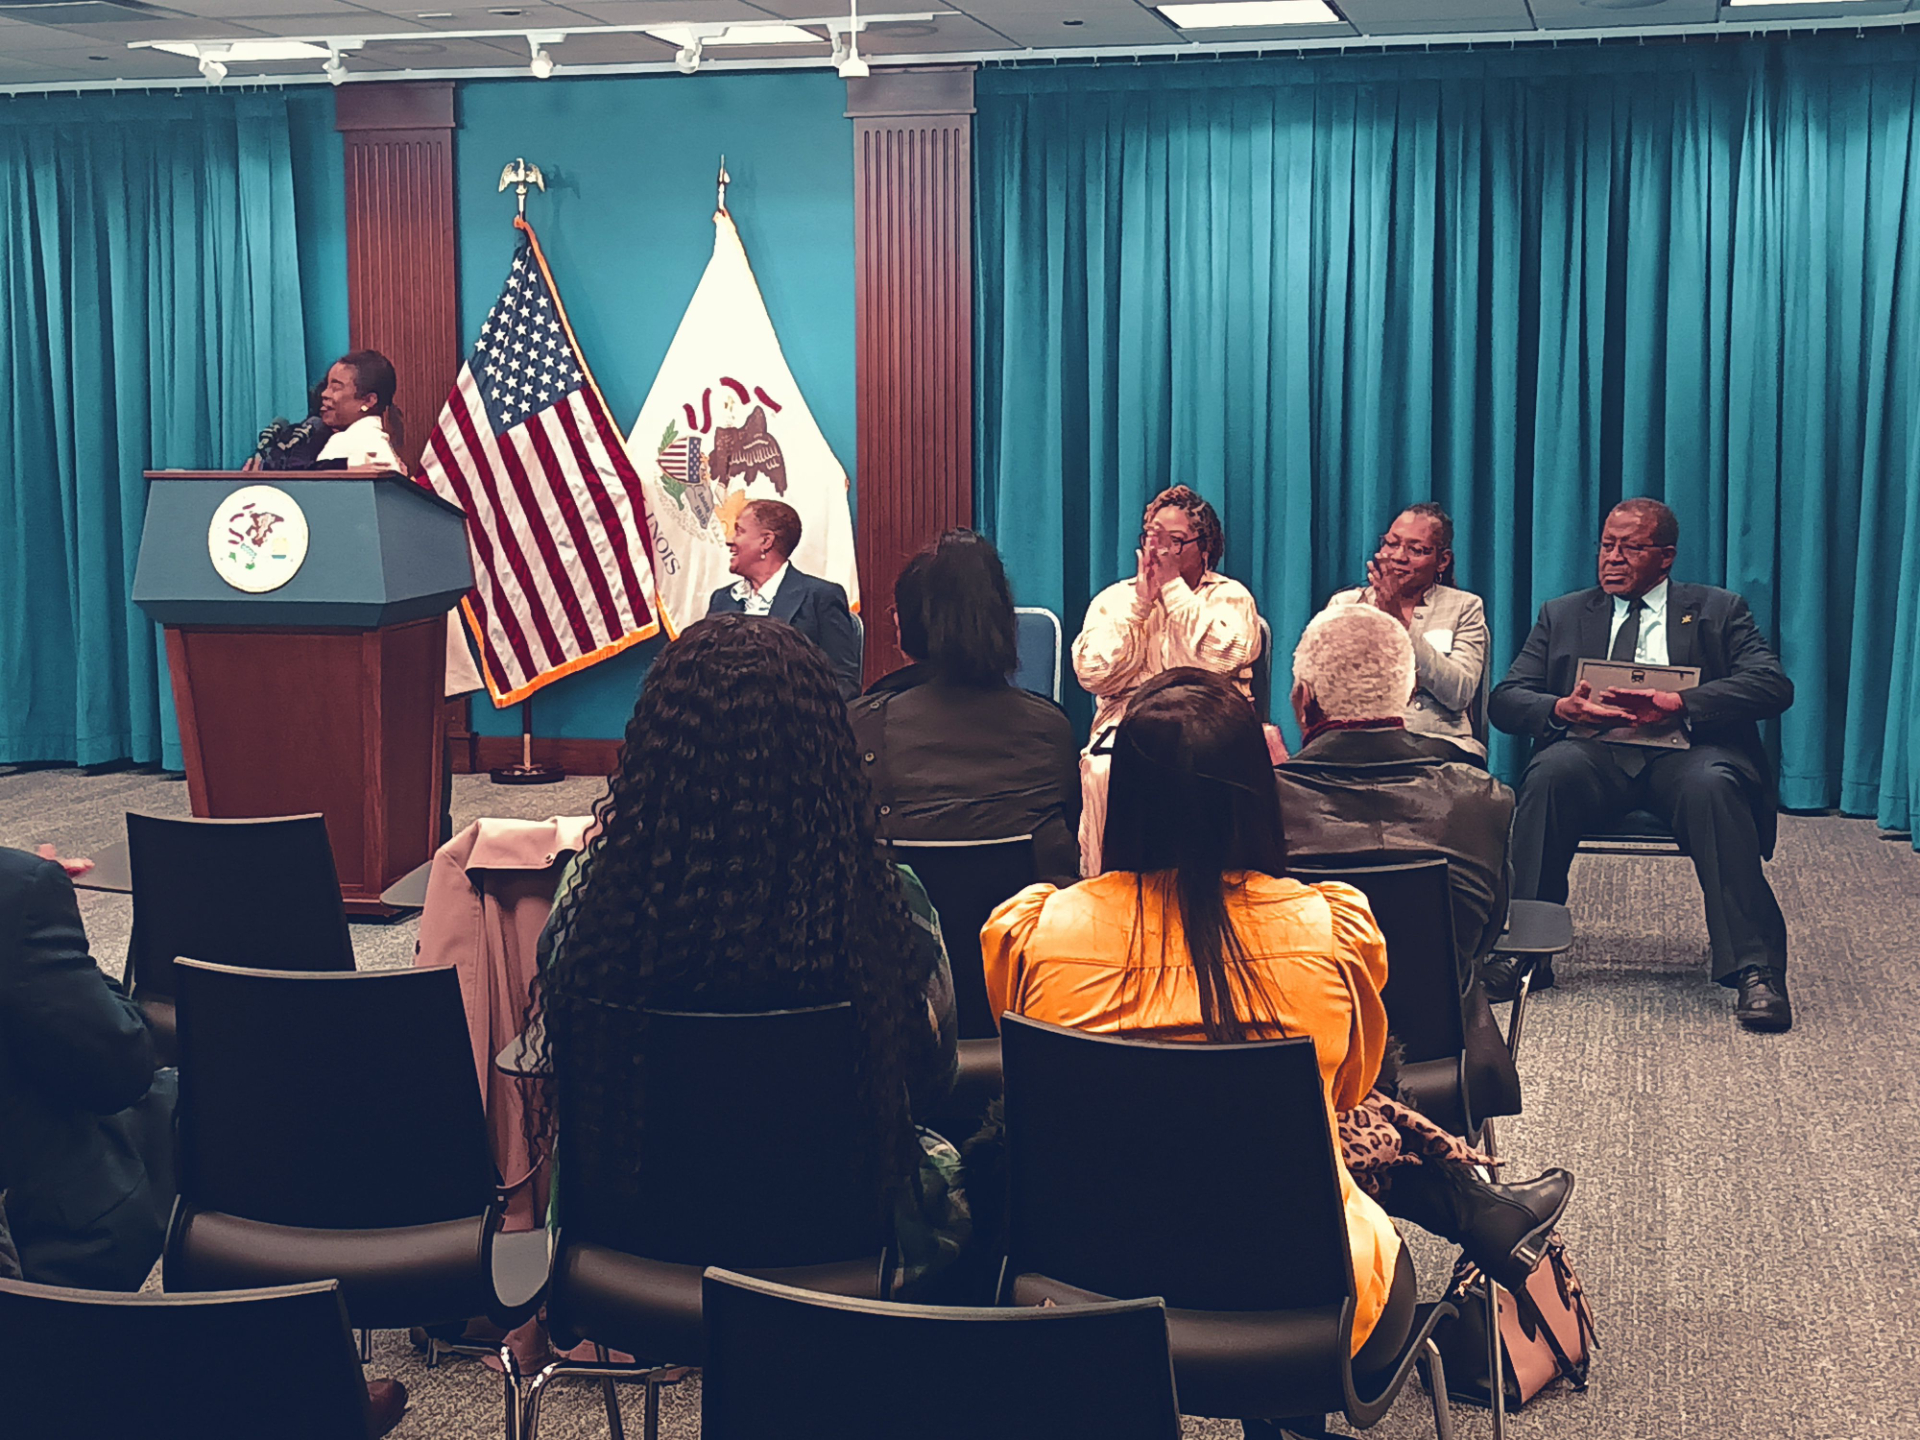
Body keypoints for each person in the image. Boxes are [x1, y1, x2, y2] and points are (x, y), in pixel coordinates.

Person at [982, 670, 1571, 1418]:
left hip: (1082, 1293)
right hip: (1315, 1304)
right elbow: (1352, 1091)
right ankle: (1480, 1211)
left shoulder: (1034, 933)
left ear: (1120, 793)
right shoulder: (1330, 930)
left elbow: (1031, 1071)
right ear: (1258, 792)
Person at [533, 615, 961, 1285]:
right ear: (827, 753)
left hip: (632, 1247)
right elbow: (933, 1079)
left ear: (653, 754)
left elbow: (572, 1060)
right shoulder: (890, 904)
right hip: (842, 1251)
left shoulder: (591, 902)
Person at [1489, 498, 1796, 1031]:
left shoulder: (1718, 610)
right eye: (1607, 545)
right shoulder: (1563, 614)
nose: (1613, 558)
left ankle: (1755, 968)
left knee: (1714, 786)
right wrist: (1561, 709)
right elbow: (1507, 699)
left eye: (1630, 548)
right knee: (1549, 775)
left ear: (1665, 557)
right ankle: (1523, 951)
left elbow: (1772, 685)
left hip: (1689, 753)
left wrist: (1682, 703)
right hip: (1595, 753)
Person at [1274, 605, 1522, 1121]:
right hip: (1443, 1056)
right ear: (1409, 695)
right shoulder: (1482, 800)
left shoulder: (1257, 807)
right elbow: (1487, 935)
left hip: (1296, 1054)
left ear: (1303, 700)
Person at [850, 531, 1080, 885]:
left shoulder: (858, 726)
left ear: (902, 627)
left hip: (897, 919)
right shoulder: (1052, 728)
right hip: (1026, 919)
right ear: (1004, 622)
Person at [1071, 485, 1262, 874]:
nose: (1159, 550)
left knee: (1198, 767)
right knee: (1103, 769)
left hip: (1208, 718)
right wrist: (1140, 608)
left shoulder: (1230, 597)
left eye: (1174, 541)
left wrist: (1174, 590)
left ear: (1204, 548)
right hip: (1128, 717)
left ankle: (1208, 884)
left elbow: (1218, 661)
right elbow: (1093, 673)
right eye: (1152, 537)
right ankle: (1106, 884)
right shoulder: (1115, 600)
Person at [1322, 502, 1488, 759]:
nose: (1399, 556)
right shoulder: (1345, 605)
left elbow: (1459, 693)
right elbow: (1322, 686)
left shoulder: (1464, 607)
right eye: (1391, 544)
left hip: (1435, 742)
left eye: (1416, 550)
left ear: (1442, 561)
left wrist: (1399, 622)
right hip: (1359, 739)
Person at [708, 498, 863, 700]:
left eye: (739, 531)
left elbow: (844, 683)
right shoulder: (722, 599)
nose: (730, 540)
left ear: (766, 541)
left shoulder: (820, 597)